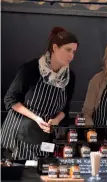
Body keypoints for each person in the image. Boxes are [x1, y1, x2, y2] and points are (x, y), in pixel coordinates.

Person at [1, 27, 78, 160]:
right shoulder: (31, 69)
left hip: (43, 138)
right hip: (19, 135)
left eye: (74, 51)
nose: (71, 56)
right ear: (55, 47)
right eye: (68, 50)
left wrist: (55, 121)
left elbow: (65, 108)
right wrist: (36, 118)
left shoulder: (69, 77)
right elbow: (10, 99)